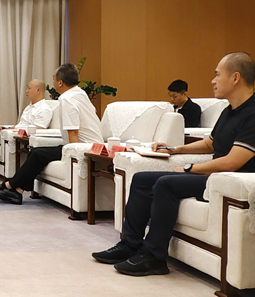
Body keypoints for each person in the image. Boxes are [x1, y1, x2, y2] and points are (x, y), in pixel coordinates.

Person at [93, 53, 255, 276]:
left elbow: (232, 162)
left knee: (166, 184)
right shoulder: (229, 111)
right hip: (215, 177)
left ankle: (154, 257)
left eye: (217, 75)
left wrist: (190, 168)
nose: (213, 81)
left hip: (231, 184)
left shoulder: (252, 114)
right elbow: (210, 143)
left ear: (235, 77)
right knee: (141, 179)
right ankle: (129, 245)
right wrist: (175, 149)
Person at [0, 63, 102, 204]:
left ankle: (9, 186)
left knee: (38, 154)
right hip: (92, 146)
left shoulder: (67, 99)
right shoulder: (80, 94)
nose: (52, 82)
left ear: (60, 82)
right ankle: (17, 190)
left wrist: (72, 157)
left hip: (83, 149)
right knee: (37, 153)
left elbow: (73, 133)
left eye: (53, 79)